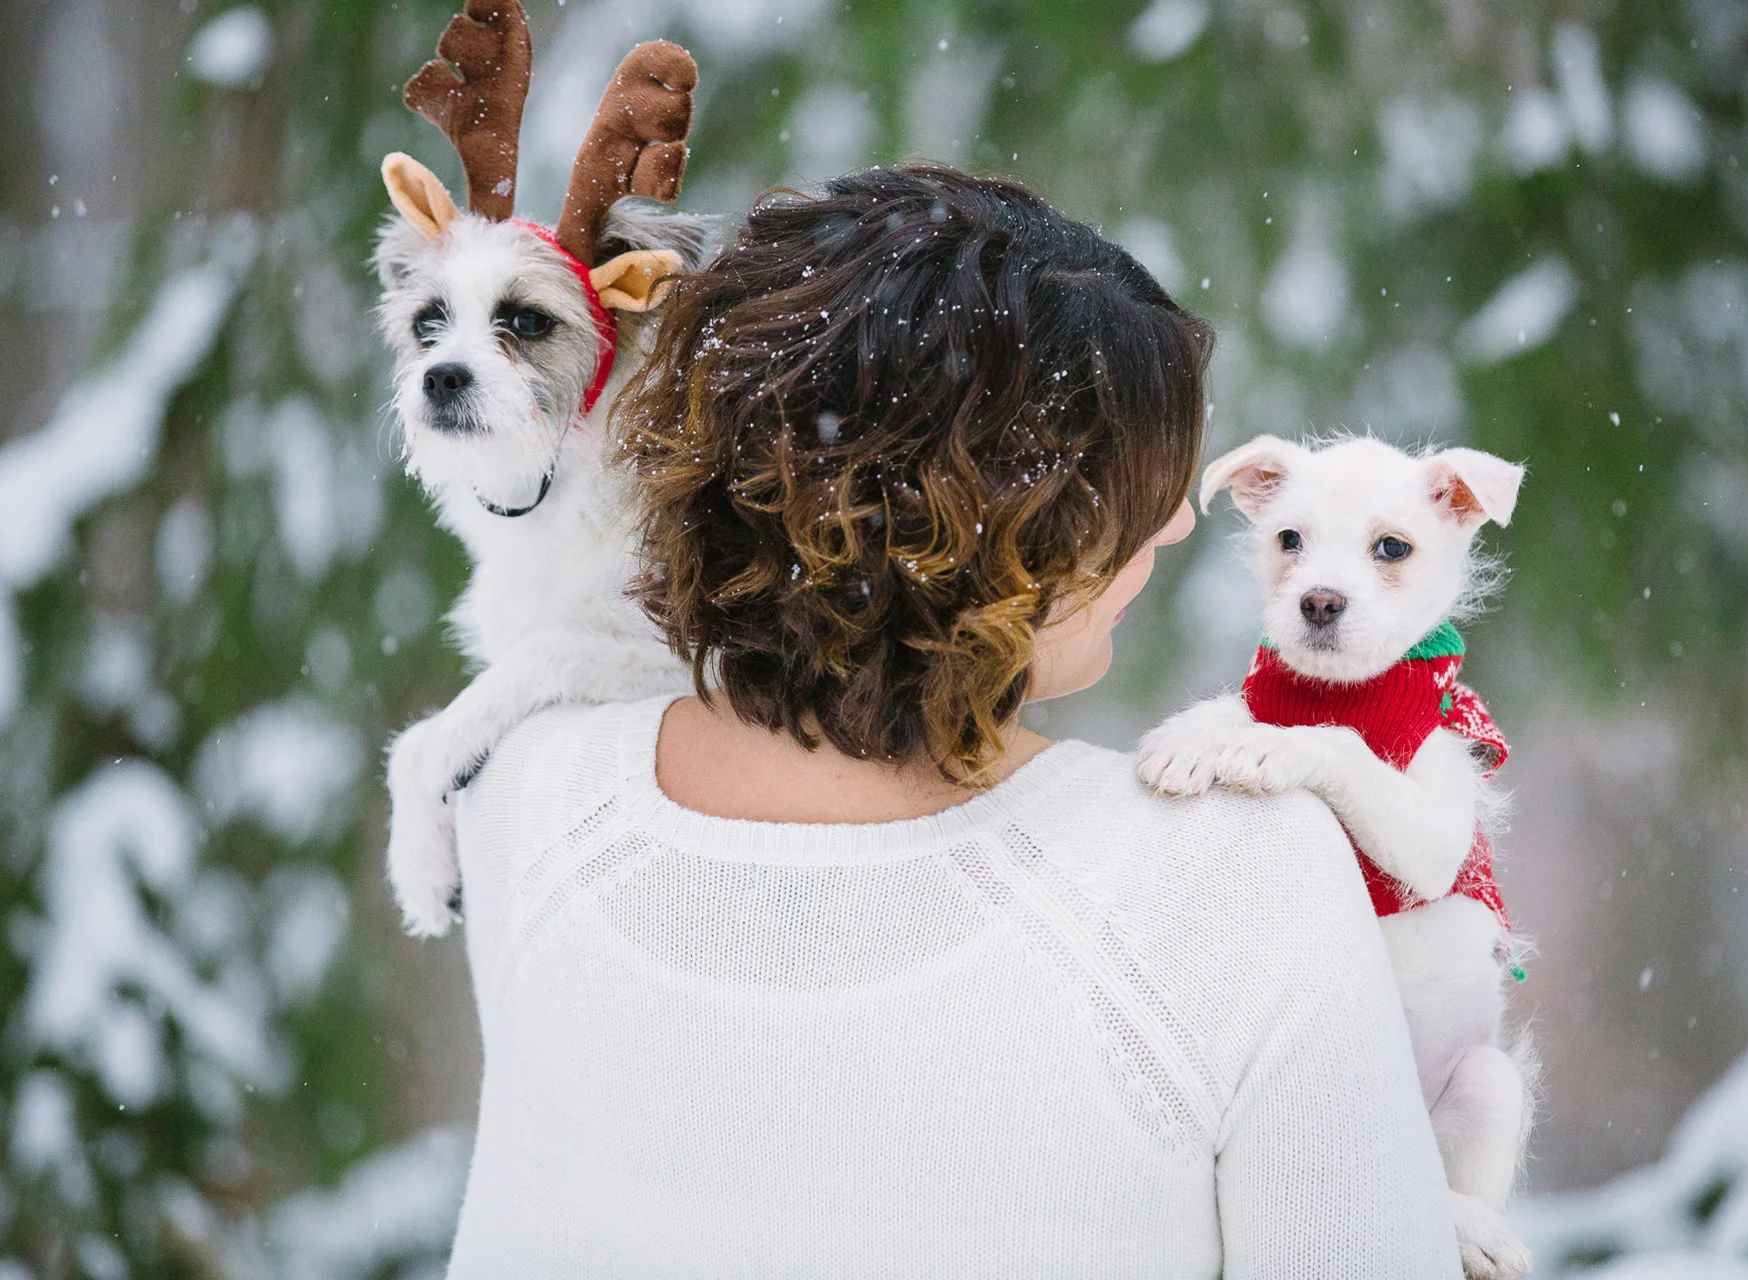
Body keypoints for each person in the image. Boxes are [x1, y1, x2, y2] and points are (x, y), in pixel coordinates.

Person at [445, 164, 1462, 1277]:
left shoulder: (520, 797)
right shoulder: (1239, 880)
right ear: (1007, 533)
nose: (1176, 523)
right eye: (1137, 487)